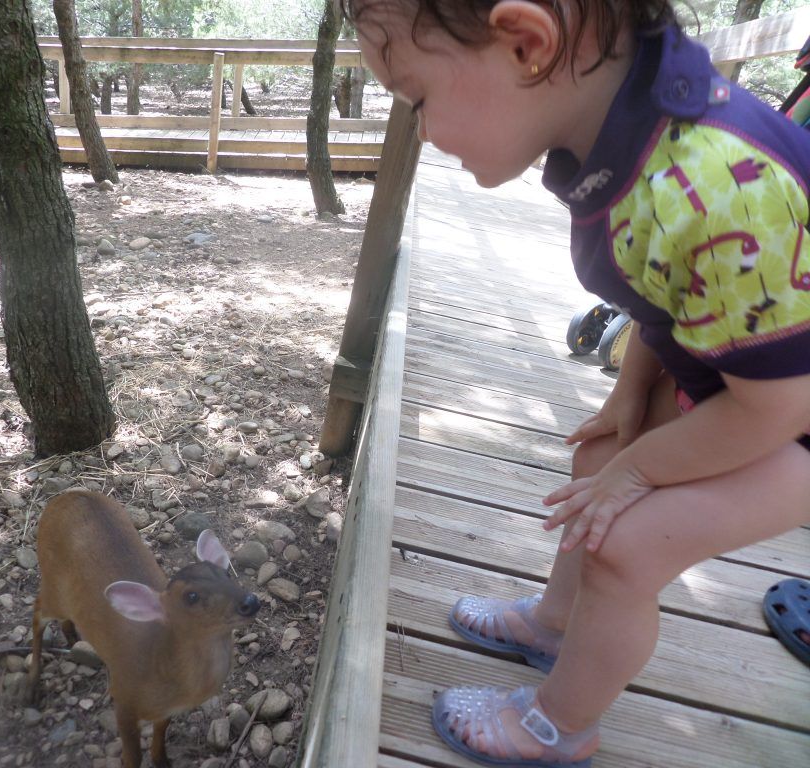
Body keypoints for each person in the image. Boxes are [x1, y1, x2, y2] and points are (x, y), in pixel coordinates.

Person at [342, 1, 810, 765]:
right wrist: (630, 401)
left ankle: (560, 725)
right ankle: (554, 625)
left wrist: (641, 471)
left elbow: (780, 402)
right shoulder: (626, 136)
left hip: (790, 411)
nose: (422, 131)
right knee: (598, 460)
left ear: (528, 44)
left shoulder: (715, 179)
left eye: (417, 98)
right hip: (752, 386)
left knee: (625, 545)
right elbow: (675, 301)